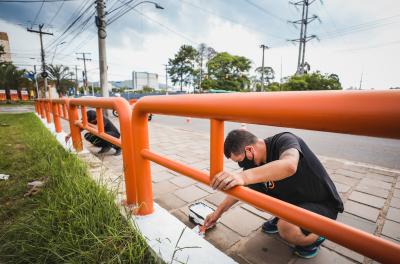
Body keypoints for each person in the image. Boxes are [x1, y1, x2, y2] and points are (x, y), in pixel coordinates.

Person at [204, 129, 343, 258]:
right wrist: (217, 213)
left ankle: (317, 236)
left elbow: (289, 165)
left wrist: (244, 176)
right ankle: (283, 215)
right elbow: (240, 191)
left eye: (240, 161)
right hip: (295, 200)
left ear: (249, 149)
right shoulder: (254, 161)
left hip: (321, 202)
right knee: (252, 194)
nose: (241, 166)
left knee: (285, 228)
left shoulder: (284, 140)